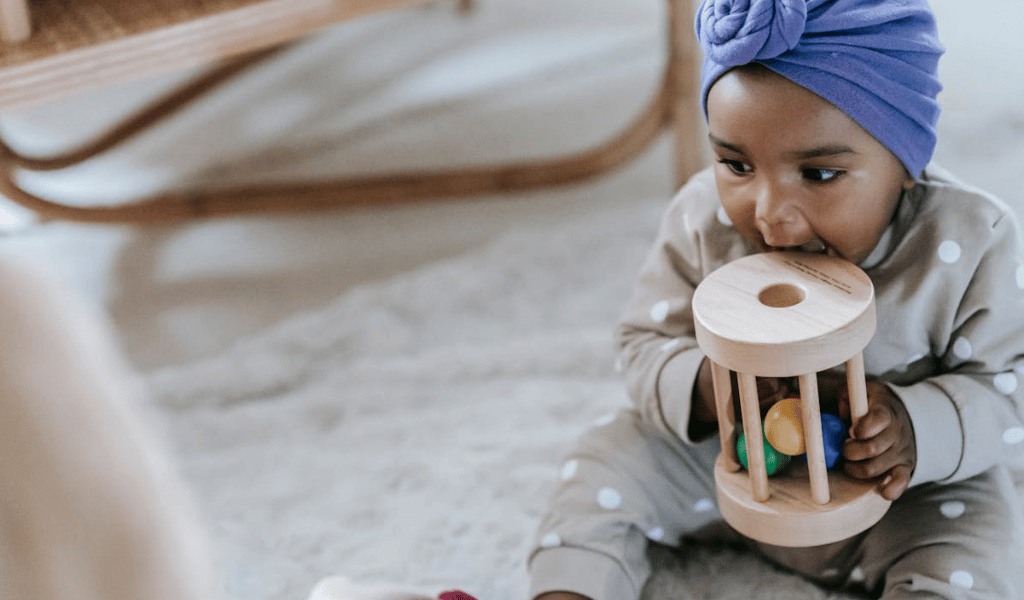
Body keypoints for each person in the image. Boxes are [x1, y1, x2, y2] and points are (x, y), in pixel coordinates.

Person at [525, 0, 1024, 599]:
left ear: (907, 162)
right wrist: (707, 387)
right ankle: (572, 587)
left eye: (817, 175)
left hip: (902, 495)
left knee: (984, 530)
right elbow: (641, 342)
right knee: (607, 456)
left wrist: (921, 427)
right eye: (735, 163)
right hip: (731, 467)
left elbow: (1011, 384)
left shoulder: (968, 243)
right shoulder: (701, 218)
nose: (768, 215)